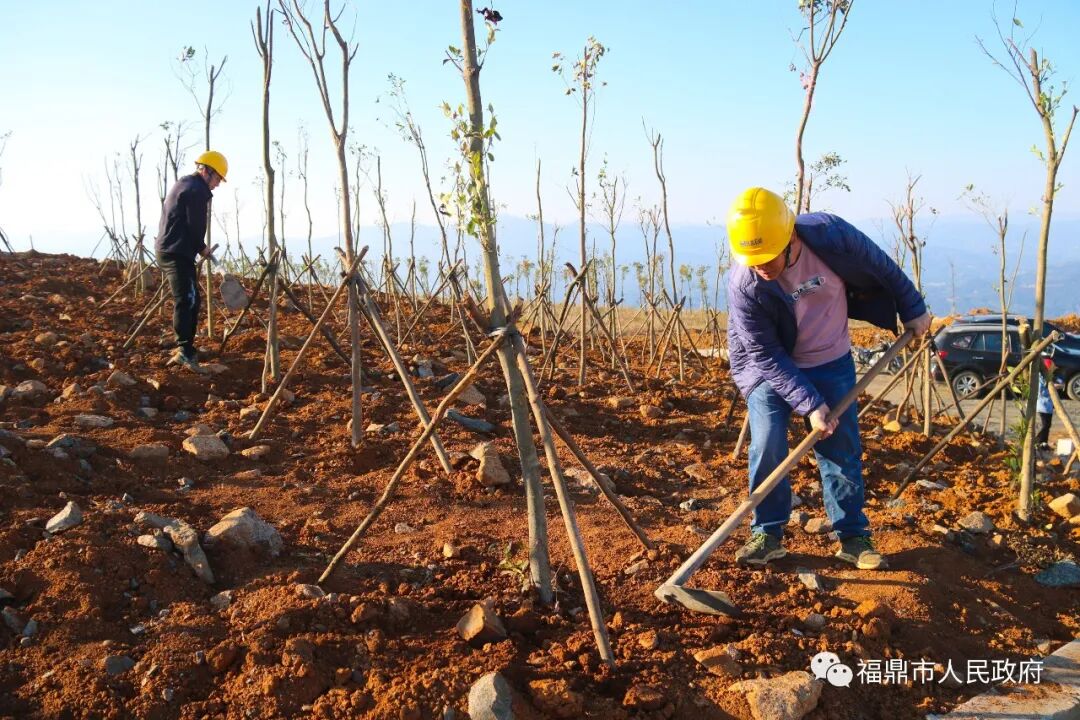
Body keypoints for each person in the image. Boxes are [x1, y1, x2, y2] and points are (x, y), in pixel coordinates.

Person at [725, 188, 931, 570]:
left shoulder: (831, 235)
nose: (762, 267)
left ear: (790, 237)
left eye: (768, 257)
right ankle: (767, 532)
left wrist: (913, 308)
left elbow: (883, 266)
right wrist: (809, 404)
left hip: (830, 358)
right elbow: (765, 354)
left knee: (841, 448)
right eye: (753, 260)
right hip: (771, 366)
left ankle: (853, 537)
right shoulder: (745, 285)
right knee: (768, 443)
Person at [154, 150, 227, 370]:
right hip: (175, 252)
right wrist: (202, 247)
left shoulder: (186, 184)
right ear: (206, 171)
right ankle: (185, 351)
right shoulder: (196, 191)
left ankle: (188, 348)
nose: (217, 184)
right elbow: (194, 226)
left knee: (192, 299)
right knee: (187, 300)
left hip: (175, 249)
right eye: (217, 179)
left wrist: (197, 247)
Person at [1035, 367, 1054, 451]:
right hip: (1043, 405)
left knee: (1047, 425)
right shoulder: (1040, 378)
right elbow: (1040, 392)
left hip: (1048, 406)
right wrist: (1052, 388)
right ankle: (1037, 441)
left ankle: (1044, 443)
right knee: (1045, 425)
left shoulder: (1047, 377)